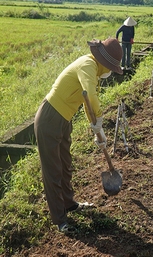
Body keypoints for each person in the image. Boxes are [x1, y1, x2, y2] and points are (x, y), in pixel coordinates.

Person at [34, 38, 123, 234]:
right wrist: (99, 117)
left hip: (64, 119)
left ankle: (69, 203)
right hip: (50, 118)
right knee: (53, 171)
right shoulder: (87, 65)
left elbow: (86, 102)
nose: (110, 71)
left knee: (65, 164)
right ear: (105, 63)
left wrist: (97, 129)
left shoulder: (93, 70)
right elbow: (90, 95)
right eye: (111, 67)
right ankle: (60, 220)